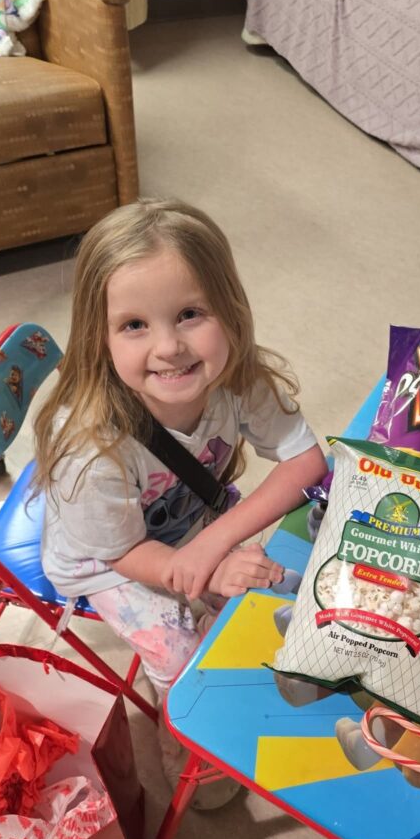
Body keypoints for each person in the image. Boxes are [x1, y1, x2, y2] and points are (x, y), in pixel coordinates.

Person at [33, 198, 327, 806]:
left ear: (230, 308)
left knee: (280, 588)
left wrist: (213, 547)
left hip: (191, 521)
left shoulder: (238, 377)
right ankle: (185, 736)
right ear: (98, 337)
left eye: (190, 314)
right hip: (106, 559)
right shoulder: (90, 448)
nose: (169, 346)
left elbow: (306, 461)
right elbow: (123, 553)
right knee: (181, 652)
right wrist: (205, 569)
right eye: (134, 325)